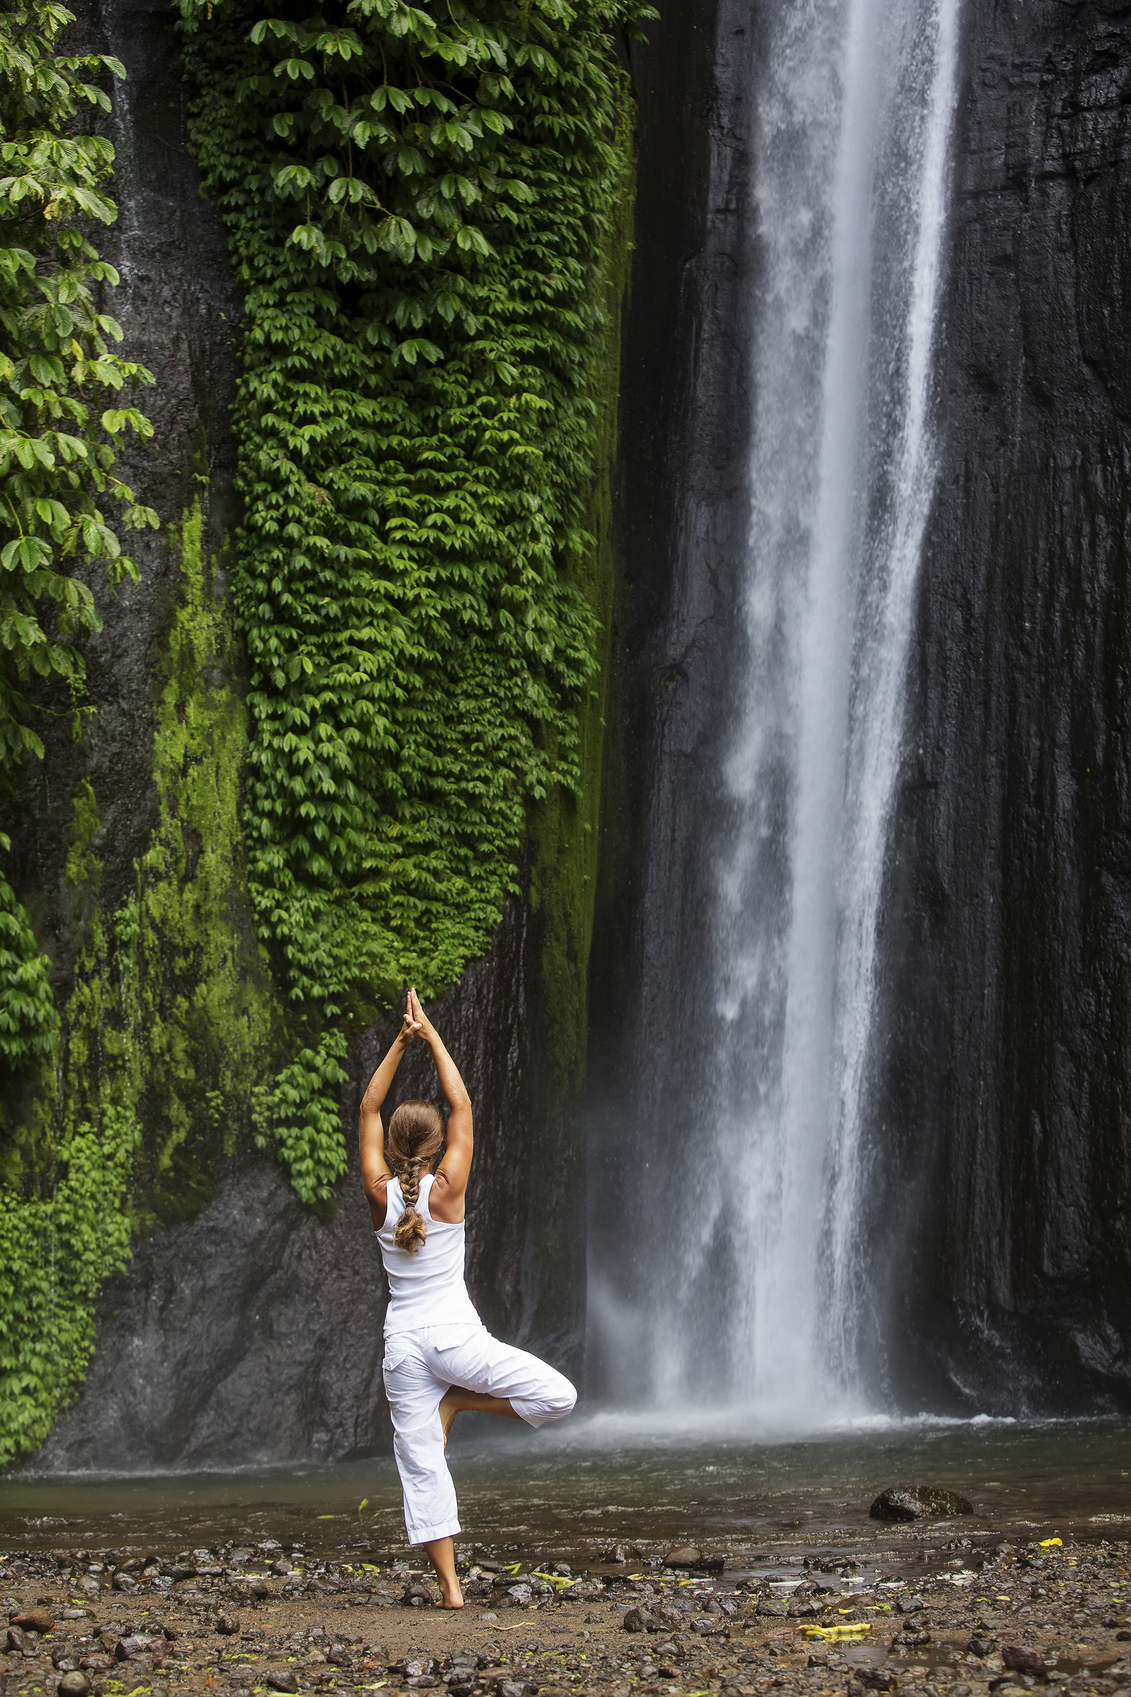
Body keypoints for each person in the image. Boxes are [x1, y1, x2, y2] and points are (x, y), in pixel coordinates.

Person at [360, 987, 577, 1608]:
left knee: (421, 1463)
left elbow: (369, 1107)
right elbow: (462, 1103)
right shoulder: (448, 1191)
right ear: (432, 1150)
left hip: (402, 1343)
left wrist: (399, 1044)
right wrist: (428, 1034)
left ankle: (451, 1589)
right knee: (558, 1396)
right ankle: (461, 1402)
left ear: (394, 1148)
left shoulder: (380, 1193)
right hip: (455, 1338)